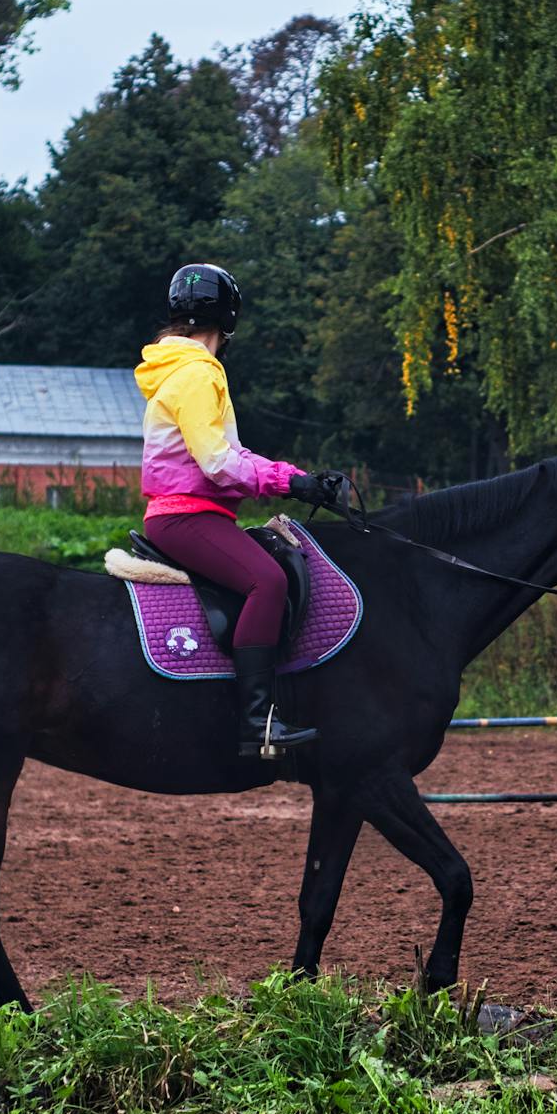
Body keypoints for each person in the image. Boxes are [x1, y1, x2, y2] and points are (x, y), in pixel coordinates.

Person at [135, 262, 337, 756]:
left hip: (188, 511)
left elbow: (233, 454)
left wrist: (293, 478)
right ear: (228, 320)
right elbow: (218, 462)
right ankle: (257, 725)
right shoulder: (199, 374)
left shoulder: (176, 371)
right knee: (266, 581)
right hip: (187, 513)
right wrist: (287, 485)